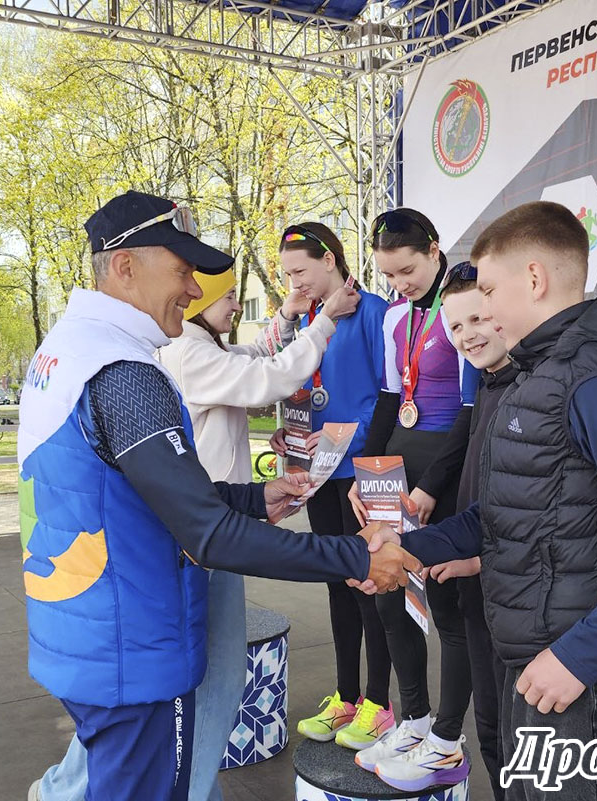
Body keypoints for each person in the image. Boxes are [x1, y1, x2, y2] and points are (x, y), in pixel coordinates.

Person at [18, 190, 418, 801]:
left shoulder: (66, 350)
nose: (192, 289)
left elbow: (139, 492)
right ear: (124, 266)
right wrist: (357, 556)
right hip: (133, 640)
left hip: (91, 630)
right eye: (182, 271)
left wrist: (255, 499)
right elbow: (206, 533)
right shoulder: (122, 373)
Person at [358, 201, 597, 801]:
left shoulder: (595, 381)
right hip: (537, 661)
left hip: (586, 682)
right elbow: (506, 512)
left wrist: (579, 657)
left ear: (534, 278)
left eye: (489, 290)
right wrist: (410, 547)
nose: (483, 309)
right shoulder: (536, 375)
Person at [347, 209, 480, 789]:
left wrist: (432, 487)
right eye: (389, 275)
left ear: (434, 250)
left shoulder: (463, 308)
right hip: (394, 469)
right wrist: (363, 471)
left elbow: (472, 410)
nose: (399, 284)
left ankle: (447, 741)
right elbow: (387, 398)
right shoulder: (394, 318)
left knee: (447, 605)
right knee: (388, 595)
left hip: (445, 469)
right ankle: (416, 721)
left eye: (407, 270)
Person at [268, 222, 396, 750]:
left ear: (329, 259)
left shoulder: (375, 314)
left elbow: (390, 397)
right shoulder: (310, 321)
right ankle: (346, 696)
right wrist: (291, 433)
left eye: (300, 271)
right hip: (318, 473)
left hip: (365, 474)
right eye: (287, 275)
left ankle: (379, 704)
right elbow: (300, 389)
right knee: (336, 586)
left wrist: (346, 436)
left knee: (372, 588)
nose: (295, 283)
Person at [428, 263, 513, 800]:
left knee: (519, 740)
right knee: (491, 733)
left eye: (477, 319)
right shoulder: (487, 383)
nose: (467, 336)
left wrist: (483, 559)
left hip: (516, 598)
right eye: (455, 327)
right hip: (480, 585)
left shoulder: (536, 389)